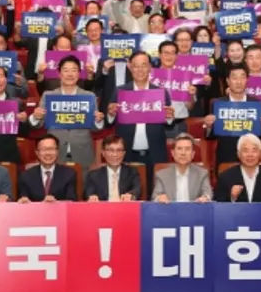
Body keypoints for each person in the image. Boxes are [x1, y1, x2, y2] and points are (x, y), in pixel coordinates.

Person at [106, 51, 174, 190]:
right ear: (130, 67)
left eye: (144, 65)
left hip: (155, 152)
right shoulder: (120, 91)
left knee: (154, 191)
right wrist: (111, 114)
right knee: (127, 192)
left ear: (150, 68)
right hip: (127, 153)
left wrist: (169, 117)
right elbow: (110, 121)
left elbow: (169, 124)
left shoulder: (160, 92)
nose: (140, 70)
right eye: (136, 66)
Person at [30, 55, 105, 174]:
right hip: (56, 151)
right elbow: (38, 125)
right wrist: (35, 117)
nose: (70, 74)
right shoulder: (48, 96)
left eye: (74, 70)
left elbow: (95, 129)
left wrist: (98, 121)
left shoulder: (89, 96)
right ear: (59, 74)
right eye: (66, 70)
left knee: (82, 183)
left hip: (82, 151)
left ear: (79, 74)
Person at [204, 63, 261, 166]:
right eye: (234, 78)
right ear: (228, 81)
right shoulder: (218, 104)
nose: (238, 82)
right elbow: (210, 136)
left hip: (251, 158)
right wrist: (208, 126)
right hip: (226, 157)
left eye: (242, 77)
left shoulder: (257, 104)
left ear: (247, 80)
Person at [214, 134, 261, 202]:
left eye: (254, 150)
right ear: (238, 154)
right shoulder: (225, 177)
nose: (250, 155)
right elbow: (217, 204)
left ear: (260, 153)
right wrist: (232, 197)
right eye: (245, 150)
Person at [151, 133, 213, 203]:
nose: (183, 153)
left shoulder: (202, 174)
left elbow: (208, 193)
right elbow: (155, 196)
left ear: (192, 154)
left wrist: (205, 198)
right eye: (179, 149)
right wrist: (159, 198)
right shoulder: (162, 175)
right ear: (173, 153)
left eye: (187, 149)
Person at [17, 135, 78, 202]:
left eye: (51, 149)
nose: (48, 153)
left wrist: (56, 204)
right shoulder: (25, 176)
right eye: (44, 149)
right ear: (37, 153)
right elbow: (23, 200)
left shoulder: (69, 174)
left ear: (57, 151)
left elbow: (71, 201)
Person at [84, 135, 142, 201]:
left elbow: (137, 189)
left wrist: (131, 195)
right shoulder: (93, 175)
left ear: (124, 153)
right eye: (110, 150)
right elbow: (88, 193)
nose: (115, 155)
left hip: (124, 206)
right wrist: (92, 197)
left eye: (119, 150)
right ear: (103, 153)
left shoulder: (132, 173)